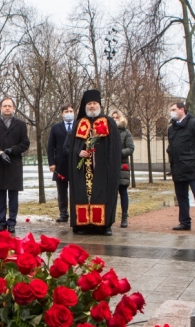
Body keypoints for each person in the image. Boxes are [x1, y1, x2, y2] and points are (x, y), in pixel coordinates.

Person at [65, 89, 121, 236]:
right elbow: (71, 147)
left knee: (103, 194)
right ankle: (82, 225)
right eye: (89, 103)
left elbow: (115, 147)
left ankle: (104, 225)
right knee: (82, 195)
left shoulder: (108, 122)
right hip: (83, 170)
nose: (91, 106)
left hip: (103, 169)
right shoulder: (79, 124)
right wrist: (78, 152)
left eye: (94, 103)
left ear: (99, 105)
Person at [167, 100, 195, 234]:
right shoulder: (172, 128)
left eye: (174, 109)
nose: (172, 112)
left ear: (182, 110)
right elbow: (172, 146)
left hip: (193, 167)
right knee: (181, 196)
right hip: (178, 166)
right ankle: (184, 222)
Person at [0, 97, 30, 233]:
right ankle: (1, 221)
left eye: (9, 106)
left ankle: (12, 221)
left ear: (13, 108)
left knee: (13, 195)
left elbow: (25, 143)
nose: (7, 108)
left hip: (14, 163)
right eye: (4, 106)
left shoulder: (21, 125)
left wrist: (12, 150)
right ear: (0, 108)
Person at [47, 104, 75, 223]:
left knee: (75, 191)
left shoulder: (80, 126)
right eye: (66, 111)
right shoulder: (55, 128)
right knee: (62, 191)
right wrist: (51, 162)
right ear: (62, 114)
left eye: (71, 111)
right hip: (60, 164)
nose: (68, 113)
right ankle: (64, 213)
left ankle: (76, 213)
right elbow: (50, 146)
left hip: (76, 163)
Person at [111, 110, 135, 229]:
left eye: (117, 117)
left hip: (121, 165)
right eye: (113, 117)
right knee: (111, 194)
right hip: (109, 166)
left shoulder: (126, 132)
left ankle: (124, 217)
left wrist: (119, 153)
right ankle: (110, 217)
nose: (115, 119)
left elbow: (130, 148)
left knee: (123, 192)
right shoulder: (106, 132)